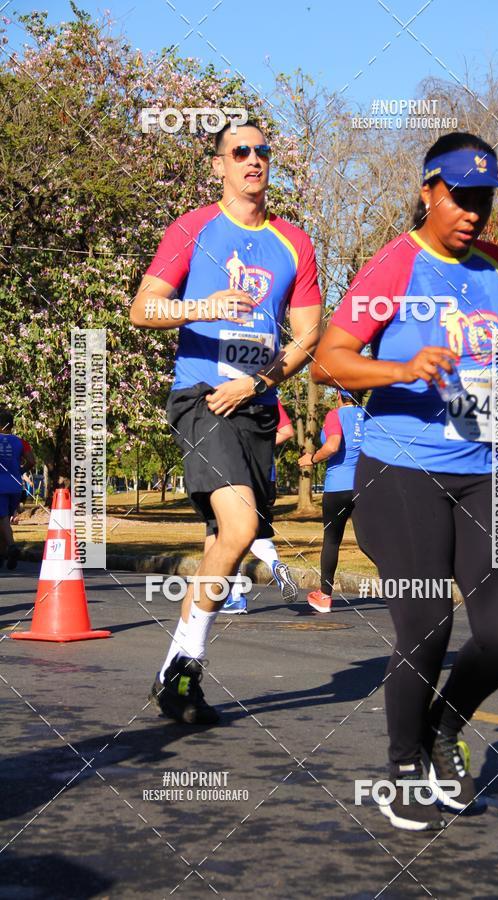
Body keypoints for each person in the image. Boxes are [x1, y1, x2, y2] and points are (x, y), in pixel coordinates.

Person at [312, 132, 498, 831]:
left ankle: (446, 725)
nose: (472, 212)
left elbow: (479, 349)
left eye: (483, 200)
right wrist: (401, 370)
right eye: (459, 198)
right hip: (401, 470)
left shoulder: (496, 268)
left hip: (483, 471)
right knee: (427, 625)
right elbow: (329, 360)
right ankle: (405, 762)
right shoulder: (393, 265)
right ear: (427, 192)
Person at [130, 120, 321, 725]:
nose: (254, 159)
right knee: (238, 528)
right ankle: (182, 664)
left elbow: (310, 334)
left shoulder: (295, 243)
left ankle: (180, 670)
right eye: (240, 151)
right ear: (219, 165)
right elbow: (142, 309)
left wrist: (261, 383)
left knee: (223, 544)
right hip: (203, 396)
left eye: (263, 150)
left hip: (255, 405)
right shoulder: (194, 228)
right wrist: (200, 307)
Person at [219, 396, 298, 614]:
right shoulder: (271, 399)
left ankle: (236, 597)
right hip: (266, 476)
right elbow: (287, 431)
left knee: (229, 533)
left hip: (237, 475)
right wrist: (261, 443)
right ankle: (275, 564)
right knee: (257, 529)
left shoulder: (230, 397)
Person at [298, 390, 364, 612]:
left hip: (338, 487)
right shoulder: (370, 416)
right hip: (365, 486)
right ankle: (403, 589)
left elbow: (333, 445)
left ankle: (324, 596)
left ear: (338, 394)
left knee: (332, 540)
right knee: (370, 541)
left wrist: (312, 459)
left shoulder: (335, 415)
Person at [0, 409, 35, 570]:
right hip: (15, 486)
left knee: (2, 519)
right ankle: (2, 556)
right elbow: (31, 461)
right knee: (4, 520)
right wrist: (19, 471)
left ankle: (12, 547)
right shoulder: (21, 442)